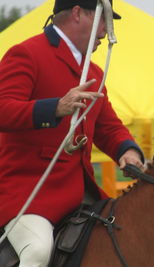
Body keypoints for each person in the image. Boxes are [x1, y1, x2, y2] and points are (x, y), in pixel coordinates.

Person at [0, 0, 144, 266]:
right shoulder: (26, 53)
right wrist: (55, 108)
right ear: (78, 13)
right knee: (37, 251)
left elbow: (108, 127)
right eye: (104, 21)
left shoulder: (94, 71)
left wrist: (129, 151)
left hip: (80, 191)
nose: (106, 32)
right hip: (27, 193)